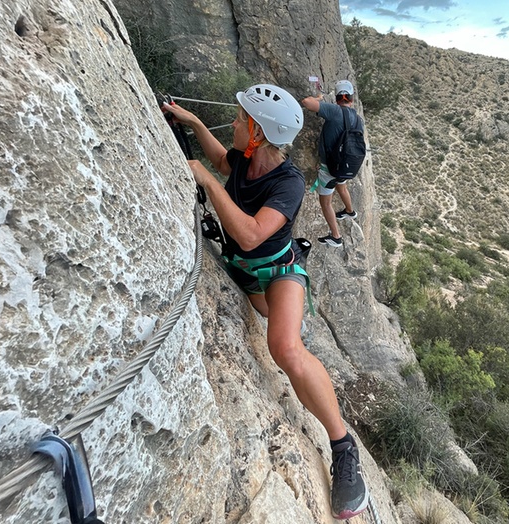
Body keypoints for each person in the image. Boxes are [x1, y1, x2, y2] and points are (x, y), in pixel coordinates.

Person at [163, 84, 369, 520]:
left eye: (241, 120)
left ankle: (343, 446)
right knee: (267, 316)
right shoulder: (244, 158)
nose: (233, 122)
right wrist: (193, 121)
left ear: (258, 133)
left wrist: (205, 179)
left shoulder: (289, 183)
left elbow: (252, 234)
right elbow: (222, 161)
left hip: (277, 270)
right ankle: (286, 319)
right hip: (246, 273)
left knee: (285, 348)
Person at [301, 80, 362, 248]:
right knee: (342, 185)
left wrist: (319, 98)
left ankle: (336, 236)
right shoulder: (358, 119)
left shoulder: (334, 111)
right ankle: (350, 211)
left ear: (337, 99)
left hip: (330, 168)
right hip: (347, 165)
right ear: (352, 99)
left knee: (325, 202)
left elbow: (306, 102)